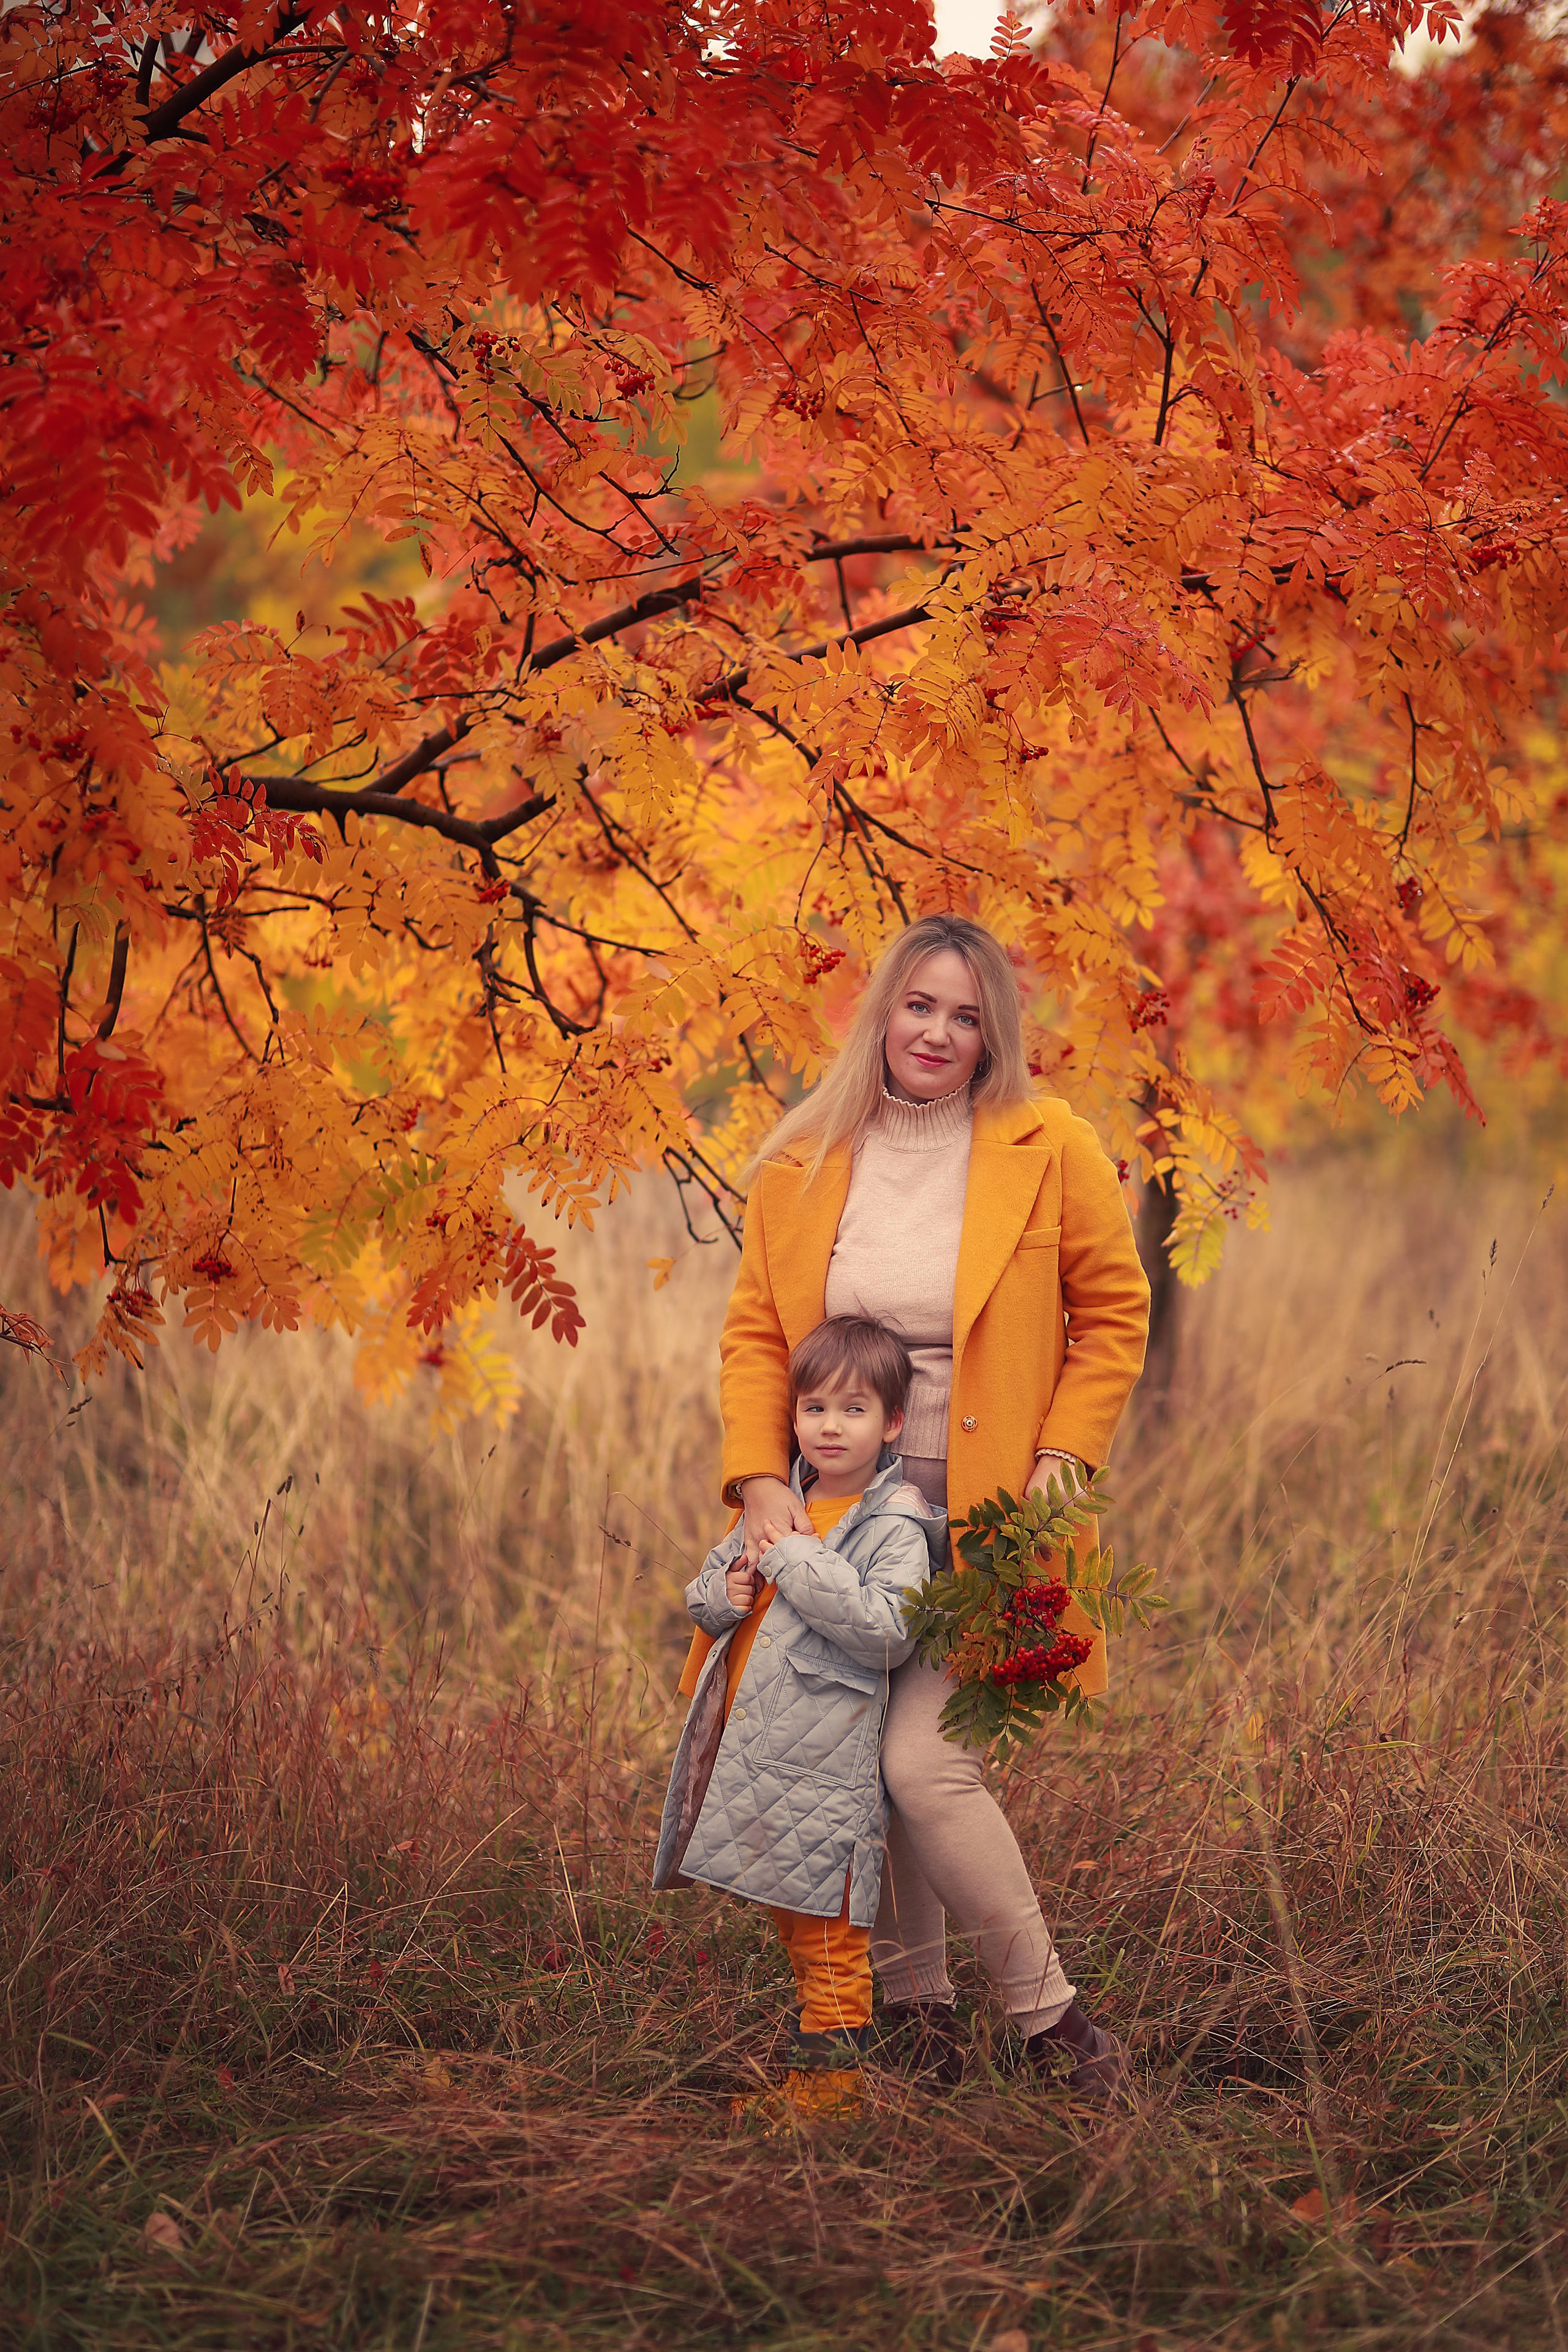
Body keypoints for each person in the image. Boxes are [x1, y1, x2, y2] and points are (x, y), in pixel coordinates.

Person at [686, 913, 1150, 2099]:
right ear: (881, 1013)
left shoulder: (1051, 1145)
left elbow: (1111, 1318)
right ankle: (917, 2019)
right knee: (853, 1758)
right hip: (842, 1523)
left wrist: (1062, 1457)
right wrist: (754, 1484)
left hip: (989, 1531)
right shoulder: (800, 1160)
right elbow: (752, 1337)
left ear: (992, 1032)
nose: (938, 1033)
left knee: (921, 1768)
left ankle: (1057, 2029)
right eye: (918, 1007)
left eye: (965, 1014)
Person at [654, 1315, 944, 2116]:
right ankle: (808, 2079)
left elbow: (886, 1631)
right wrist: (724, 1595)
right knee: (793, 1928)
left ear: (891, 1424)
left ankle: (829, 2097)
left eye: (853, 1411)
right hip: (760, 1755)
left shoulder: (894, 1523)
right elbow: (705, 1589)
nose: (830, 1426)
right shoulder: (783, 1495)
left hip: (827, 1765)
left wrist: (792, 1555)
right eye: (814, 1408)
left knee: (829, 1939)